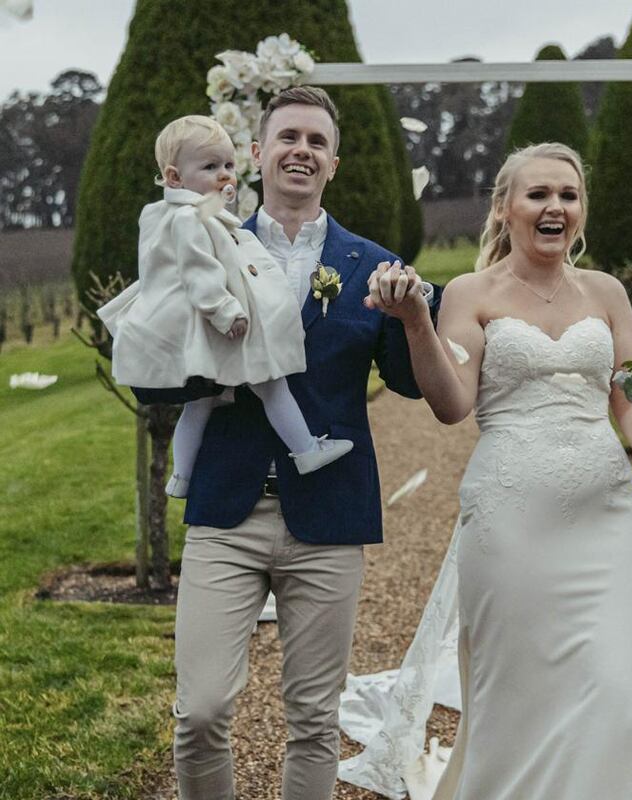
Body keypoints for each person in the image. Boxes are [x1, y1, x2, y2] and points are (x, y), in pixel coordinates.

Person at [360, 142, 632, 799]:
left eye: (568, 196)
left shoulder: (606, 292)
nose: (555, 206)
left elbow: (629, 407)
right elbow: (452, 404)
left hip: (605, 518)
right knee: (516, 688)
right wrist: (415, 324)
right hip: (510, 519)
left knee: (615, 682)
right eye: (539, 194)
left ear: (580, 211)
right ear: (504, 209)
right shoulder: (469, 292)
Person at [132, 87, 439, 800]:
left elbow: (410, 384)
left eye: (317, 141)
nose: (302, 150)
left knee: (312, 719)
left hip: (329, 517)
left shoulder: (372, 265)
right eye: (288, 137)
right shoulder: (203, 245)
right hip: (226, 513)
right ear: (258, 154)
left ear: (333, 163)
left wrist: (416, 314)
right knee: (201, 709)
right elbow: (155, 386)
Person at [98, 115, 353, 496]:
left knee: (200, 404)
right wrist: (225, 310)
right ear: (174, 177)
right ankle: (305, 449)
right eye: (211, 167)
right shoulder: (188, 217)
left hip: (197, 328)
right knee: (271, 382)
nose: (225, 175)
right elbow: (199, 269)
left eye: (229, 166)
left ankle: (181, 475)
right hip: (216, 323)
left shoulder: (181, 213)